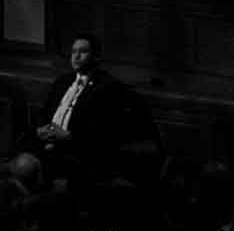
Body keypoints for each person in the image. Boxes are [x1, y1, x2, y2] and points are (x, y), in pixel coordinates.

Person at [27, 35, 148, 183]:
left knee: (28, 167)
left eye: (83, 51)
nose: (76, 56)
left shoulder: (107, 88)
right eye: (73, 52)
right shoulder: (62, 81)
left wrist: (68, 137)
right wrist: (40, 129)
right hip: (45, 144)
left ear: (96, 57)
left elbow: (105, 132)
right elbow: (44, 112)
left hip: (76, 153)